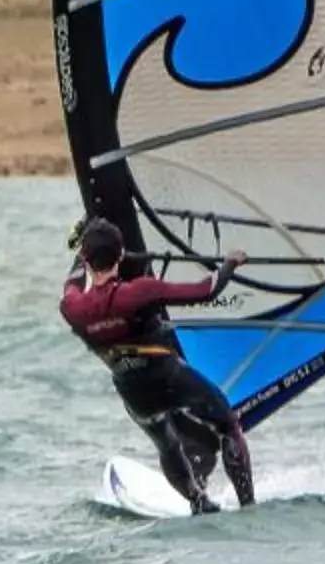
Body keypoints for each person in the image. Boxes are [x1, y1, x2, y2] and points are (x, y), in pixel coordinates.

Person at [61, 216, 255, 514]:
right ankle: (248, 507)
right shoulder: (139, 291)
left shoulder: (72, 307)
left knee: (167, 445)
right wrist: (230, 263)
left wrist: (81, 247)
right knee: (228, 425)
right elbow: (205, 290)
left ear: (86, 258)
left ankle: (198, 501)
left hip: (133, 392)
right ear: (122, 255)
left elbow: (74, 279)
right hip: (168, 377)